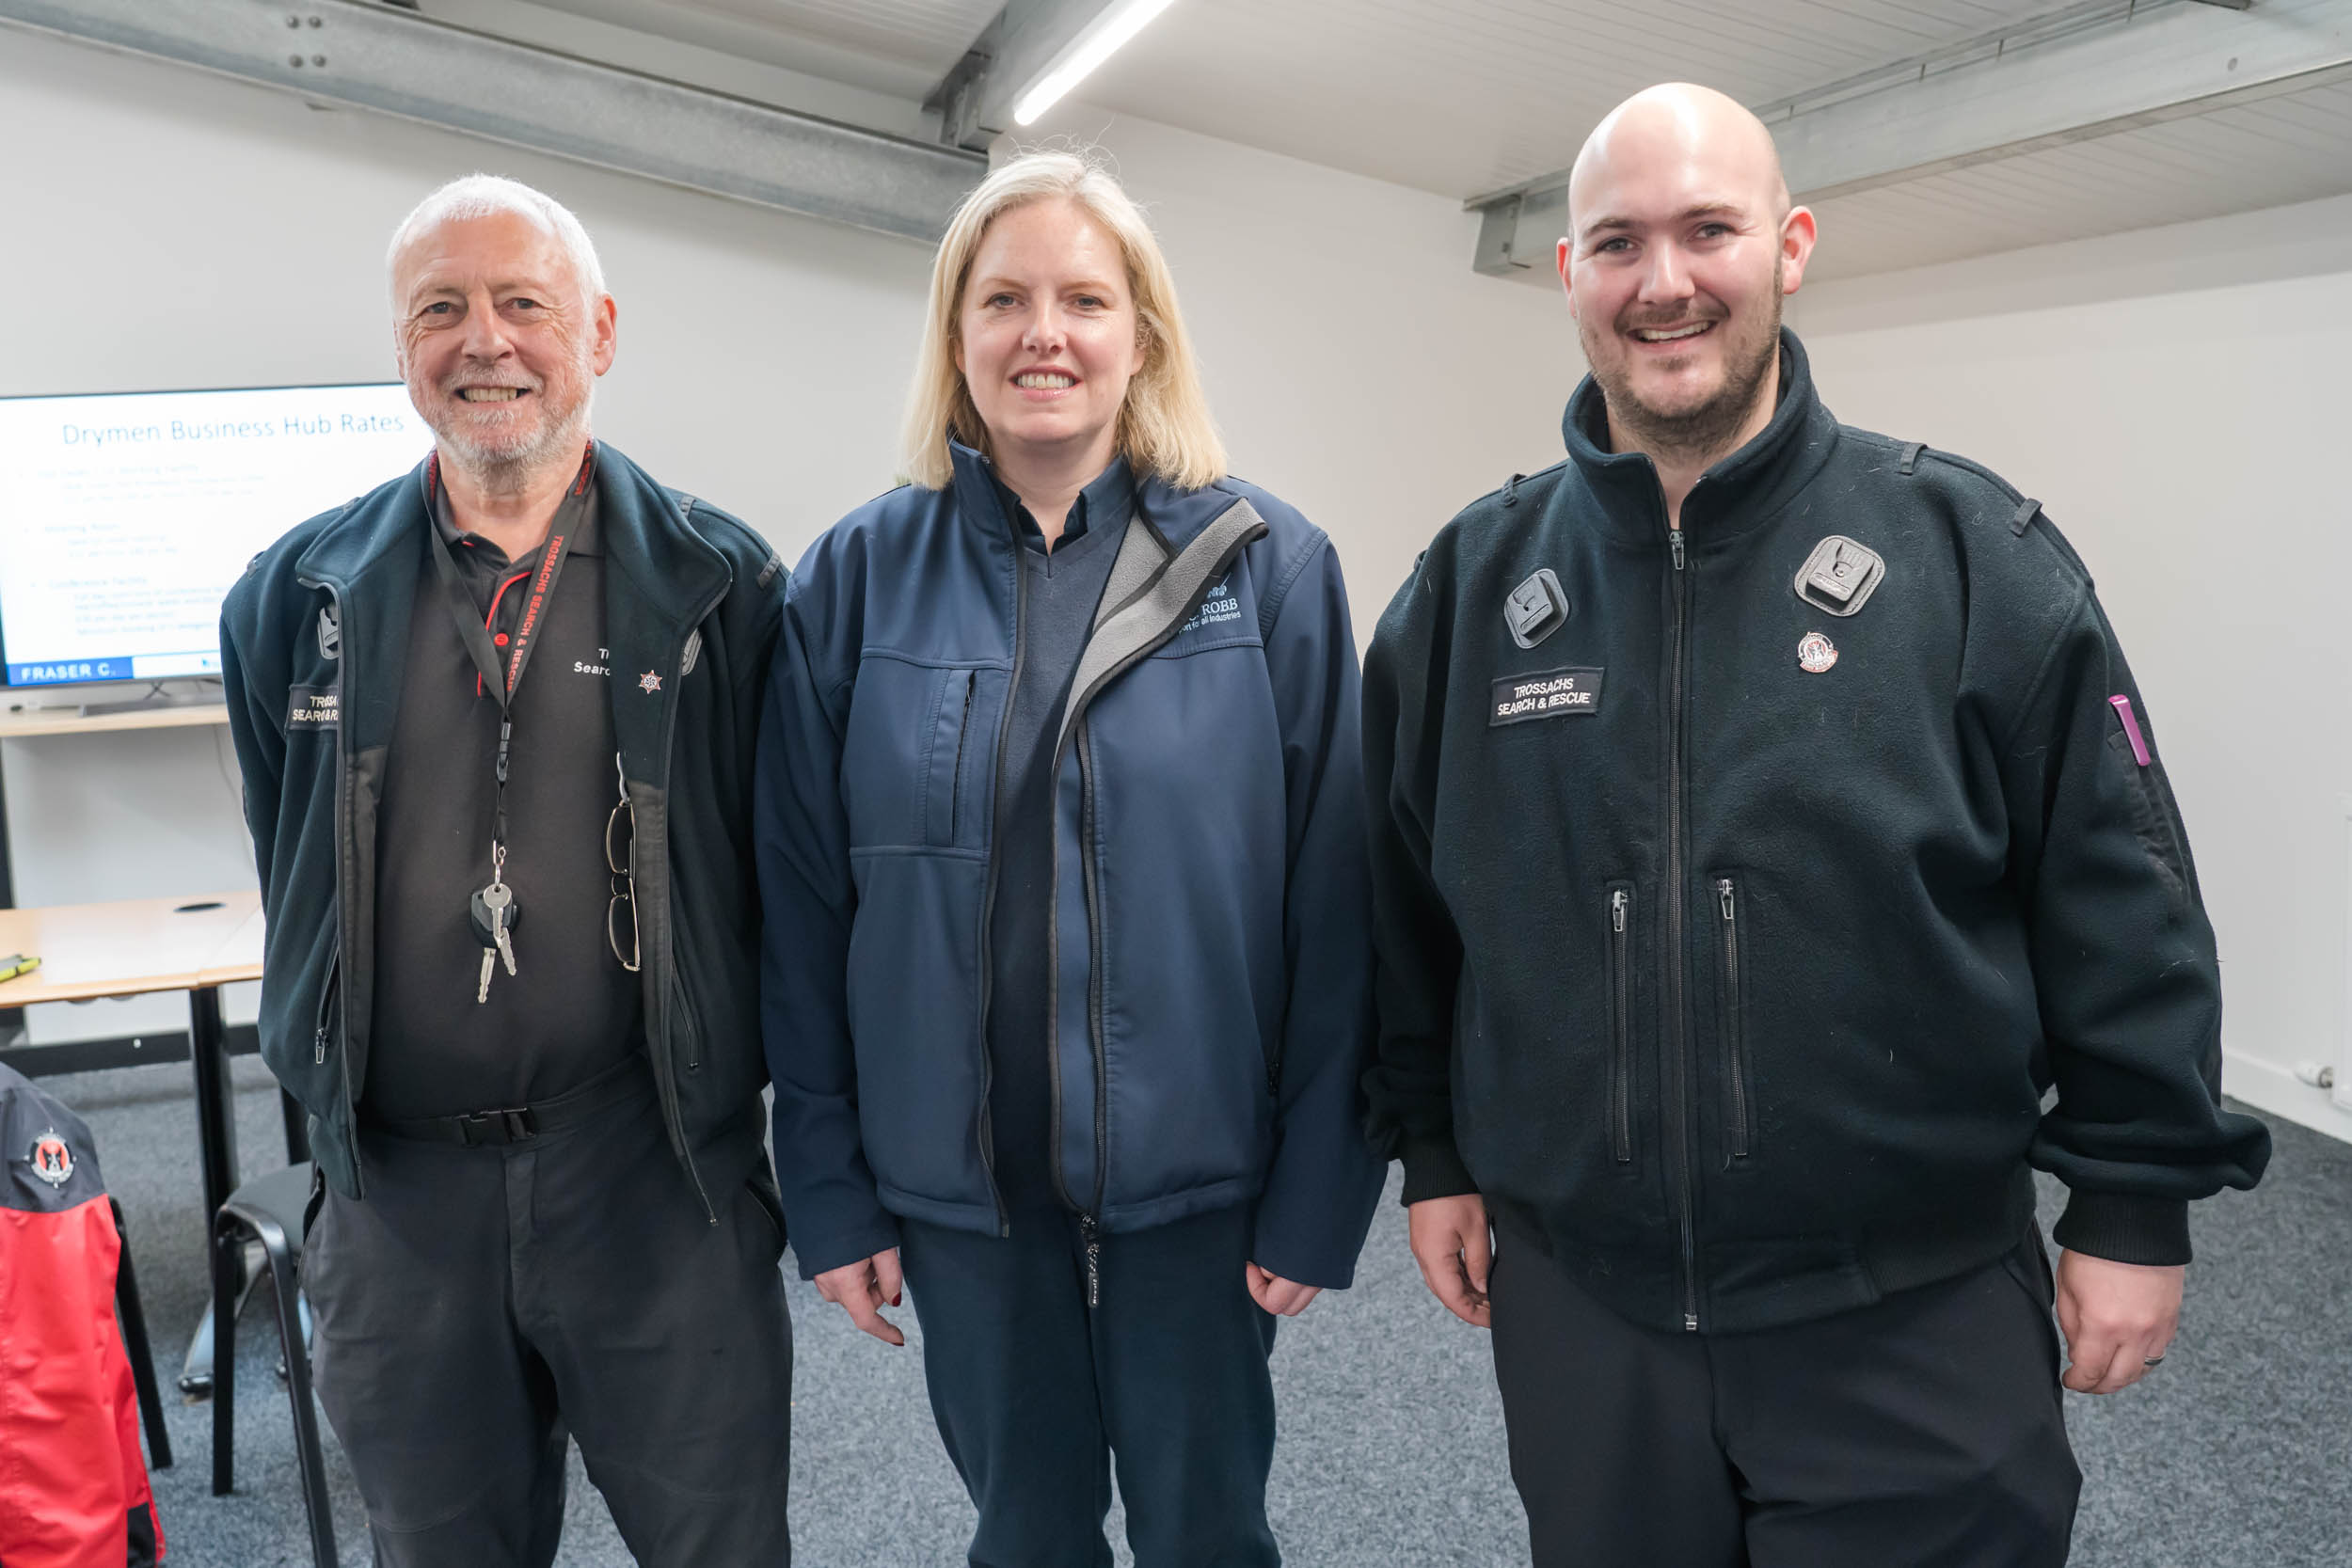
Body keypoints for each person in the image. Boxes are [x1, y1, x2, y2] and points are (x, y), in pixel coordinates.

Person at [1360, 83, 2271, 1568]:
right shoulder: (1469, 591)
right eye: (1618, 243)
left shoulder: (1975, 558)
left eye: (1708, 230)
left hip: (1906, 1305)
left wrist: (2133, 1199)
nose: (1665, 283)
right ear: (1569, 276)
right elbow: (1404, 915)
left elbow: (2123, 898)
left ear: (1789, 247)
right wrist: (1436, 1154)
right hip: (1591, 1318)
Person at [756, 149, 1383, 1567]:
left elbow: (1337, 909)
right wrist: (834, 1186)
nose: (1046, 332)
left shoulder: (1264, 565)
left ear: (1140, 338)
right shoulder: (850, 582)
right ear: (957, 338)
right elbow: (800, 911)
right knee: (1025, 1531)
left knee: (1207, 1527)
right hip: (963, 1190)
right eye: (1005, 300)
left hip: (1201, 1182)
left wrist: (1318, 1186)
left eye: (1085, 300)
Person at [219, 174, 793, 1566]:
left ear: (597, 331)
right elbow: (286, 844)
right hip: (397, 1196)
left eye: (522, 303)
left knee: (719, 1547)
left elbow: (775, 877)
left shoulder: (720, 587)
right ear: (402, 344)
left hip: (651, 1179)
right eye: (442, 310)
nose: (485, 341)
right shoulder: (293, 599)